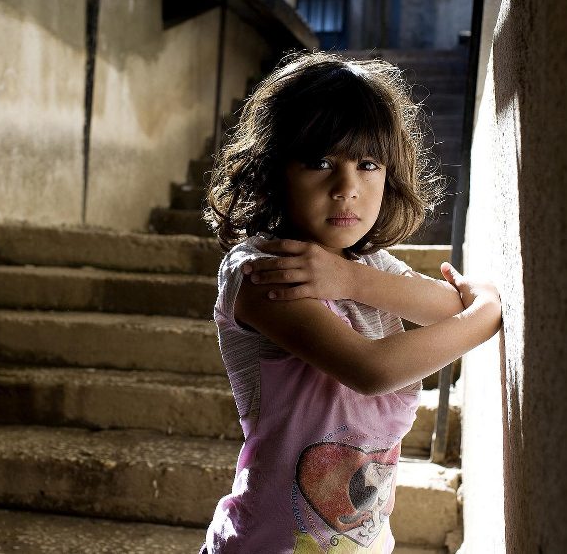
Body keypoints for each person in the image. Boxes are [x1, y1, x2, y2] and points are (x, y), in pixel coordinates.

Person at [199, 51, 502, 553]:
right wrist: (487, 312)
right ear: (275, 171)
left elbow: (445, 307)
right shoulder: (261, 272)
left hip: (362, 538)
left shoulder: (367, 267)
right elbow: (371, 370)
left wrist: (351, 279)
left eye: (367, 164)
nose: (347, 188)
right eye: (319, 163)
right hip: (270, 544)